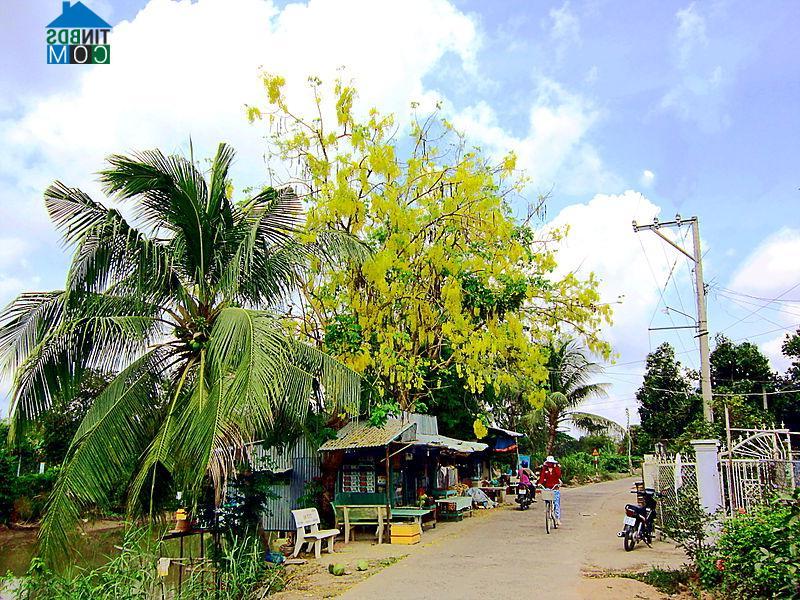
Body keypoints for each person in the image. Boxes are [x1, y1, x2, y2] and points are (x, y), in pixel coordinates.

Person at [538, 455, 562, 526]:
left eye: (551, 463)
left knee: (556, 503)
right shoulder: (544, 469)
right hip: (547, 488)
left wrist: (556, 467)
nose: (549, 464)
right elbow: (542, 477)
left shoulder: (556, 469)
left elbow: (559, 475)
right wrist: (540, 483)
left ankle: (557, 518)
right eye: (548, 463)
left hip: (555, 488)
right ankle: (548, 511)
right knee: (547, 500)